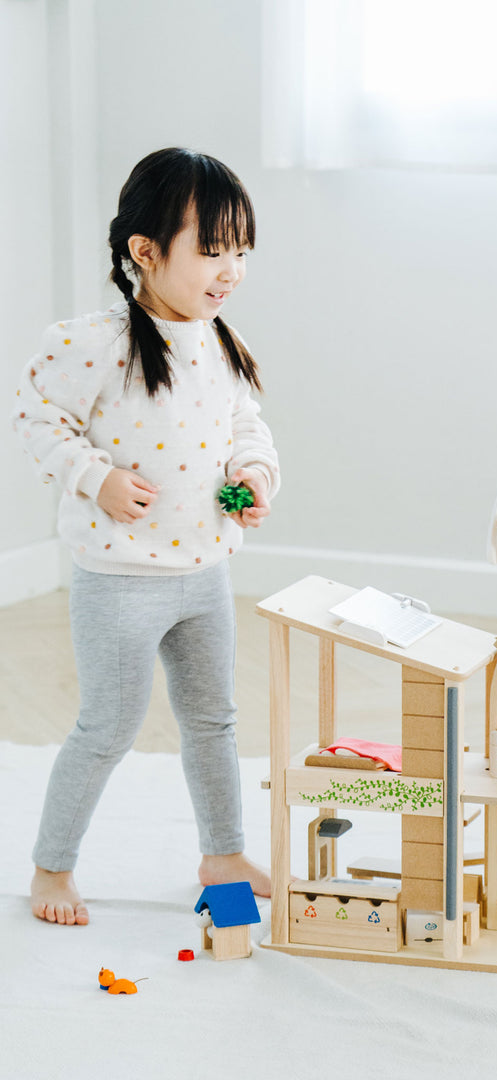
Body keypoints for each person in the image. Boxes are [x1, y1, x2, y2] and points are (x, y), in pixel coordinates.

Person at [11, 148, 279, 926]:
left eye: (241, 250)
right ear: (146, 252)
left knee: (213, 720)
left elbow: (245, 430)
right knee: (107, 726)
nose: (229, 269)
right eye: (211, 249)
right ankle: (51, 866)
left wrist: (253, 482)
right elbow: (37, 416)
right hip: (120, 577)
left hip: (205, 573)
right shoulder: (93, 342)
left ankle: (222, 853)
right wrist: (96, 477)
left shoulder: (219, 339)